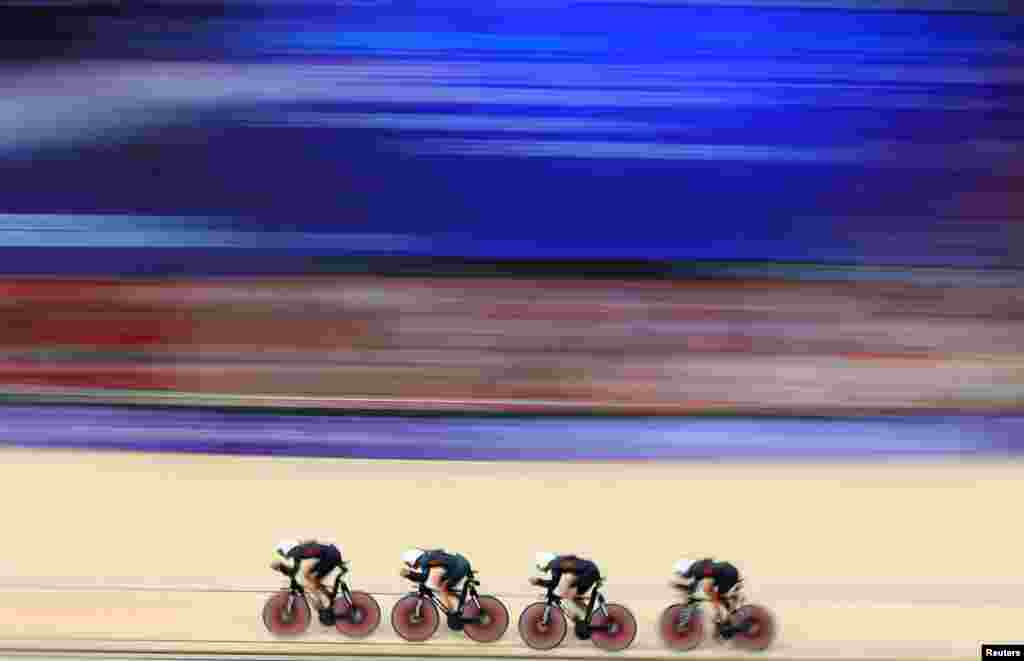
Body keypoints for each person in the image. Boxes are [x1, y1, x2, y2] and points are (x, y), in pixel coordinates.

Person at [271, 538, 344, 626]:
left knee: (309, 577)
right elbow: (294, 570)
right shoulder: (299, 549)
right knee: (309, 577)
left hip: (330, 555)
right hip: (332, 553)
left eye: (281, 552)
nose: (283, 555)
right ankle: (326, 598)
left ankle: (322, 604)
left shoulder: (296, 551)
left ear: (286, 548)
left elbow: (294, 571)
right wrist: (282, 568)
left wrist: (280, 567)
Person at [671, 557, 746, 636]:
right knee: (712, 592)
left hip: (727, 573)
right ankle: (728, 612)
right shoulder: (698, 567)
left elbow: (696, 585)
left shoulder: (696, 569)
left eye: (681, 574)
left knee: (708, 590)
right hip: (728, 571)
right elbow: (696, 583)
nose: (682, 576)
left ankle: (719, 614)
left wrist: (682, 587)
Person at [400, 548, 473, 629]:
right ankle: (461, 601)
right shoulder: (426, 557)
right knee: (443, 585)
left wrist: (409, 574)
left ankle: (453, 613)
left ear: (412, 559)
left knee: (442, 588)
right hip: (461, 562)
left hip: (459, 566)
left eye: (407, 563)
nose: (409, 566)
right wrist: (411, 575)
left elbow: (424, 577)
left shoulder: (424, 561)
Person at [531, 551, 600, 634]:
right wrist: (547, 589)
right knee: (569, 592)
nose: (546, 570)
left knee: (568, 593)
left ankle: (583, 618)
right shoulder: (558, 561)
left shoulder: (555, 564)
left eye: (544, 568)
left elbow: (554, 583)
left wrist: (539, 582)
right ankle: (586, 617)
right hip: (590, 571)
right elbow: (554, 583)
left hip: (589, 573)